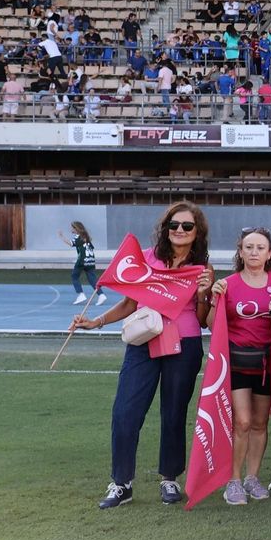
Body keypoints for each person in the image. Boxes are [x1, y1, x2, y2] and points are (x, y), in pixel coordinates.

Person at [73, 202, 215, 509]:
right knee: (125, 412)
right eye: (173, 225)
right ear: (165, 229)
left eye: (187, 226)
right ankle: (121, 483)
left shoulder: (202, 268)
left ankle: (169, 478)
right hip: (143, 341)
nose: (179, 230)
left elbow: (203, 318)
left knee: (174, 414)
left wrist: (206, 292)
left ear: (197, 232)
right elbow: (129, 304)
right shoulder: (147, 259)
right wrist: (96, 322)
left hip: (185, 344)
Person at [204, 227, 271, 505]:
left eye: (260, 247)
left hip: (267, 364)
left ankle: (252, 477)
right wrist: (214, 299)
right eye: (249, 247)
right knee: (243, 422)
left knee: (260, 423)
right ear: (240, 251)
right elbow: (212, 325)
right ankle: (233, 481)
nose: (254, 252)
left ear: (270, 253)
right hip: (236, 363)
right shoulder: (228, 284)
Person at [61, 221, 104, 304]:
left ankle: (81, 294)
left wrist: (61, 236)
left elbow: (71, 243)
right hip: (90, 260)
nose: (71, 229)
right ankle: (101, 294)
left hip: (83, 260)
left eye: (72, 227)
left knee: (74, 276)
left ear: (76, 228)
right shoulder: (86, 237)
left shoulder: (78, 237)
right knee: (92, 279)